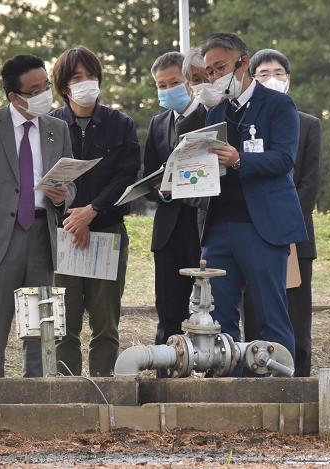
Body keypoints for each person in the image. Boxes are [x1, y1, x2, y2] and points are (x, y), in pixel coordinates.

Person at [0, 54, 76, 378]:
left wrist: (64, 195)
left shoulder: (57, 128)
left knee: (38, 324)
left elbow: (70, 183)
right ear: (14, 96)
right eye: (34, 90)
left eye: (46, 86)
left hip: (41, 234)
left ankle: (35, 397)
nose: (44, 95)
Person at [200, 33, 307, 370]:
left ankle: (279, 389)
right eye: (210, 72)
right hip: (219, 229)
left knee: (271, 317)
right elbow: (206, 170)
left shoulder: (278, 105)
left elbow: (283, 160)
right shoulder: (215, 112)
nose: (216, 77)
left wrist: (238, 159)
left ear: (243, 63)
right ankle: (232, 391)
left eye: (221, 68)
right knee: (221, 320)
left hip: (263, 228)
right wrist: (181, 180)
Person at [49, 46, 140, 377]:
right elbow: (45, 181)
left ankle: (105, 396)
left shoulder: (121, 124)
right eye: (77, 77)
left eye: (91, 76)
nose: (86, 82)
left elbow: (126, 175)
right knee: (64, 327)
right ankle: (66, 397)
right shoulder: (50, 125)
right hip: (62, 237)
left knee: (105, 327)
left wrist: (92, 211)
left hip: (107, 232)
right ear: (63, 86)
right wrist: (74, 217)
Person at [241, 49, 323, 377]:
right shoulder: (243, 123)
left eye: (278, 72)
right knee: (257, 324)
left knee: (296, 325)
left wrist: (281, 227)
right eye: (263, 73)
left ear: (288, 79)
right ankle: (255, 388)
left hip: (293, 238)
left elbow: (309, 185)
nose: (271, 79)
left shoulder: (308, 125)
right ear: (252, 78)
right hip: (253, 236)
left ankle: (297, 384)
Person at [142, 52, 202, 377]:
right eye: (161, 86)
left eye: (174, 83)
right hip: (168, 228)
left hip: (203, 226)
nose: (168, 90)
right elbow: (151, 174)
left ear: (189, 81)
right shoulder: (158, 123)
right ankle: (165, 378)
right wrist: (159, 190)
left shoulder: (211, 116)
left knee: (209, 306)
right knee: (168, 310)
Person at [176, 47, 224, 238]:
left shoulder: (243, 113)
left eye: (208, 76)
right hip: (211, 219)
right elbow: (185, 185)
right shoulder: (186, 126)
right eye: (197, 79)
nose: (205, 83)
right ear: (189, 84)